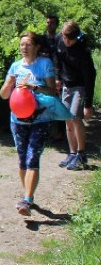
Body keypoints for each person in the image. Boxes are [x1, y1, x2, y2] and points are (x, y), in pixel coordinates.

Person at [0, 32, 58, 216]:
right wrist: (9, 85)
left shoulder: (45, 64)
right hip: (18, 120)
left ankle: (27, 199)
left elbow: (52, 92)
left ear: (37, 46)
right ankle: (27, 195)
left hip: (40, 119)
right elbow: (3, 95)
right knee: (22, 159)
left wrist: (34, 87)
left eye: (28, 44)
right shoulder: (16, 66)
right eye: (22, 45)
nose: (24, 48)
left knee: (32, 158)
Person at [54, 21, 96, 171]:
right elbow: (58, 58)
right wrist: (58, 77)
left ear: (76, 38)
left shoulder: (83, 52)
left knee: (75, 118)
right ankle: (72, 153)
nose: (66, 42)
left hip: (80, 86)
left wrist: (88, 104)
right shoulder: (60, 40)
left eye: (69, 40)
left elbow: (90, 77)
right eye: (65, 38)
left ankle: (81, 154)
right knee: (67, 119)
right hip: (67, 84)